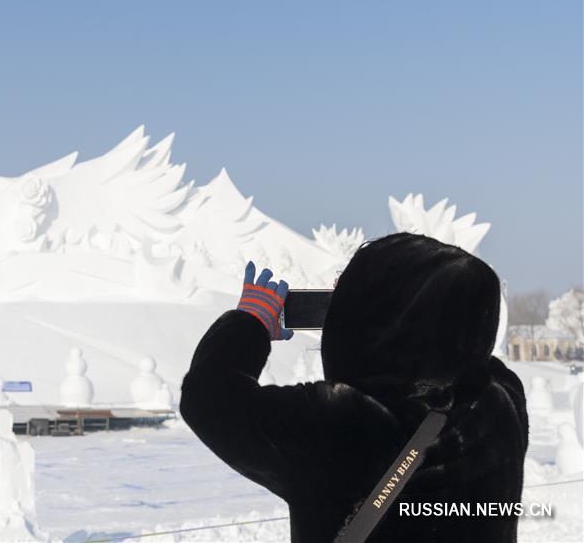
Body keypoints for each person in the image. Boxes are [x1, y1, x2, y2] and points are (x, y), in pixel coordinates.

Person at [180, 233, 528, 543]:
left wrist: (250, 323)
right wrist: (369, 306)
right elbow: (456, 339)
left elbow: (208, 397)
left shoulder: (340, 422)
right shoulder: (501, 400)